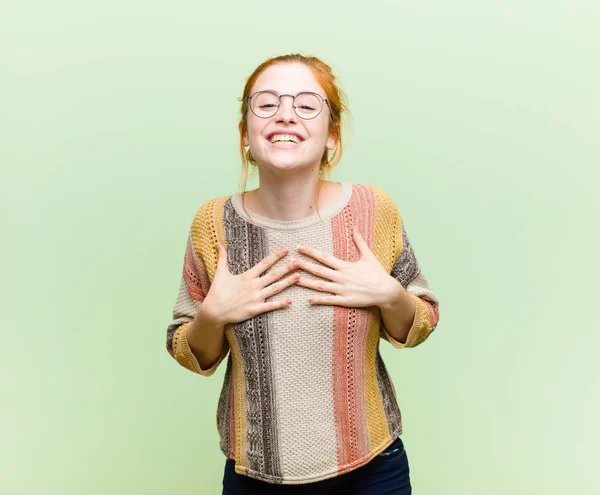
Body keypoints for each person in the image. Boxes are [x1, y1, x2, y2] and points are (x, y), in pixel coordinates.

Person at [165, 53, 440, 494]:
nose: (286, 114)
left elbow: (421, 320)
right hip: (254, 476)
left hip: (372, 472)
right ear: (245, 135)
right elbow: (186, 348)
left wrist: (390, 295)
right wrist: (211, 316)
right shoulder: (212, 223)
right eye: (267, 103)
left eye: (307, 104)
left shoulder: (373, 210)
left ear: (332, 135)